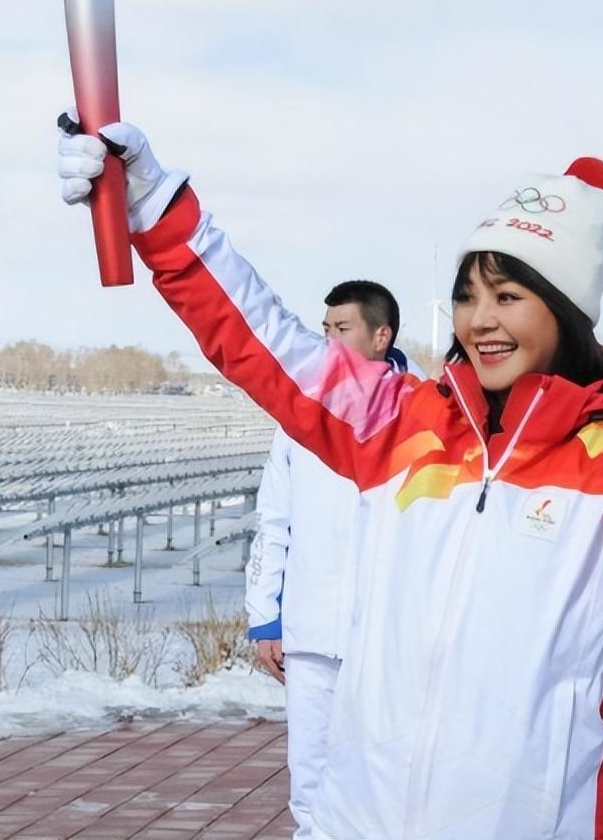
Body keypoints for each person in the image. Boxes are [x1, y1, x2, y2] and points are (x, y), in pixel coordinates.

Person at [59, 124, 603, 840]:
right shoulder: (401, 425)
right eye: (468, 295)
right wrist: (155, 211)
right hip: (359, 821)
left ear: (565, 311)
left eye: (509, 296)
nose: (480, 321)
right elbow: (260, 344)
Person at [247, 278, 423, 838]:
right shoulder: (298, 416)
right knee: (311, 781)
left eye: (341, 330)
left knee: (388, 778)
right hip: (311, 631)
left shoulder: (424, 414)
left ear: (381, 335)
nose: (328, 343)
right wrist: (264, 617)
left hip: (389, 637)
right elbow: (274, 518)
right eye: (324, 330)